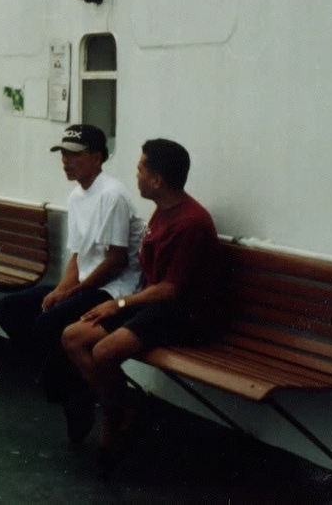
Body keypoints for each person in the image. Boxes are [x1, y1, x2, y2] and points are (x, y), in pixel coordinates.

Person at [61, 137, 222, 470]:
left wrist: (119, 305)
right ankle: (123, 411)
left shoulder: (190, 222)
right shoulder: (162, 212)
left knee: (103, 351)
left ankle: (111, 424)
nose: (136, 176)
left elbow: (170, 291)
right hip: (152, 305)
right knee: (73, 337)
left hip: (183, 314)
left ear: (157, 180)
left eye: (140, 169)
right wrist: (122, 303)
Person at [0, 124, 142, 444]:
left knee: (47, 326)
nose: (66, 161)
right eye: (62, 154)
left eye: (74, 154)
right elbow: (78, 256)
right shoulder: (76, 196)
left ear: (98, 157)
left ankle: (73, 395)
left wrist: (71, 293)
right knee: (9, 309)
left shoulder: (111, 195)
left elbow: (116, 260)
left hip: (113, 290)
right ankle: (74, 390)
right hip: (86, 285)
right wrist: (61, 290)